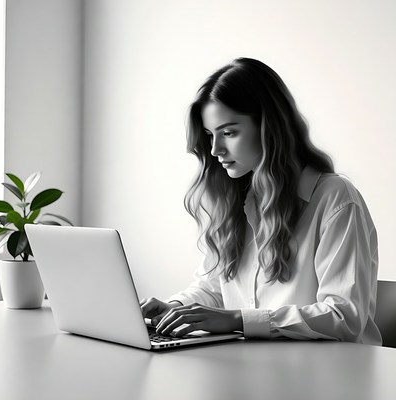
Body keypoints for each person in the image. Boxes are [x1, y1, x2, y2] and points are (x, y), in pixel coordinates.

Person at [140, 57, 382, 345]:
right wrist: (176, 308)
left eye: (229, 132)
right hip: (258, 368)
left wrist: (237, 320)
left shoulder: (335, 198)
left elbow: (343, 316)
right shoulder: (234, 198)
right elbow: (214, 284)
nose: (215, 149)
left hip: (333, 377)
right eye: (209, 135)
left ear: (269, 127)